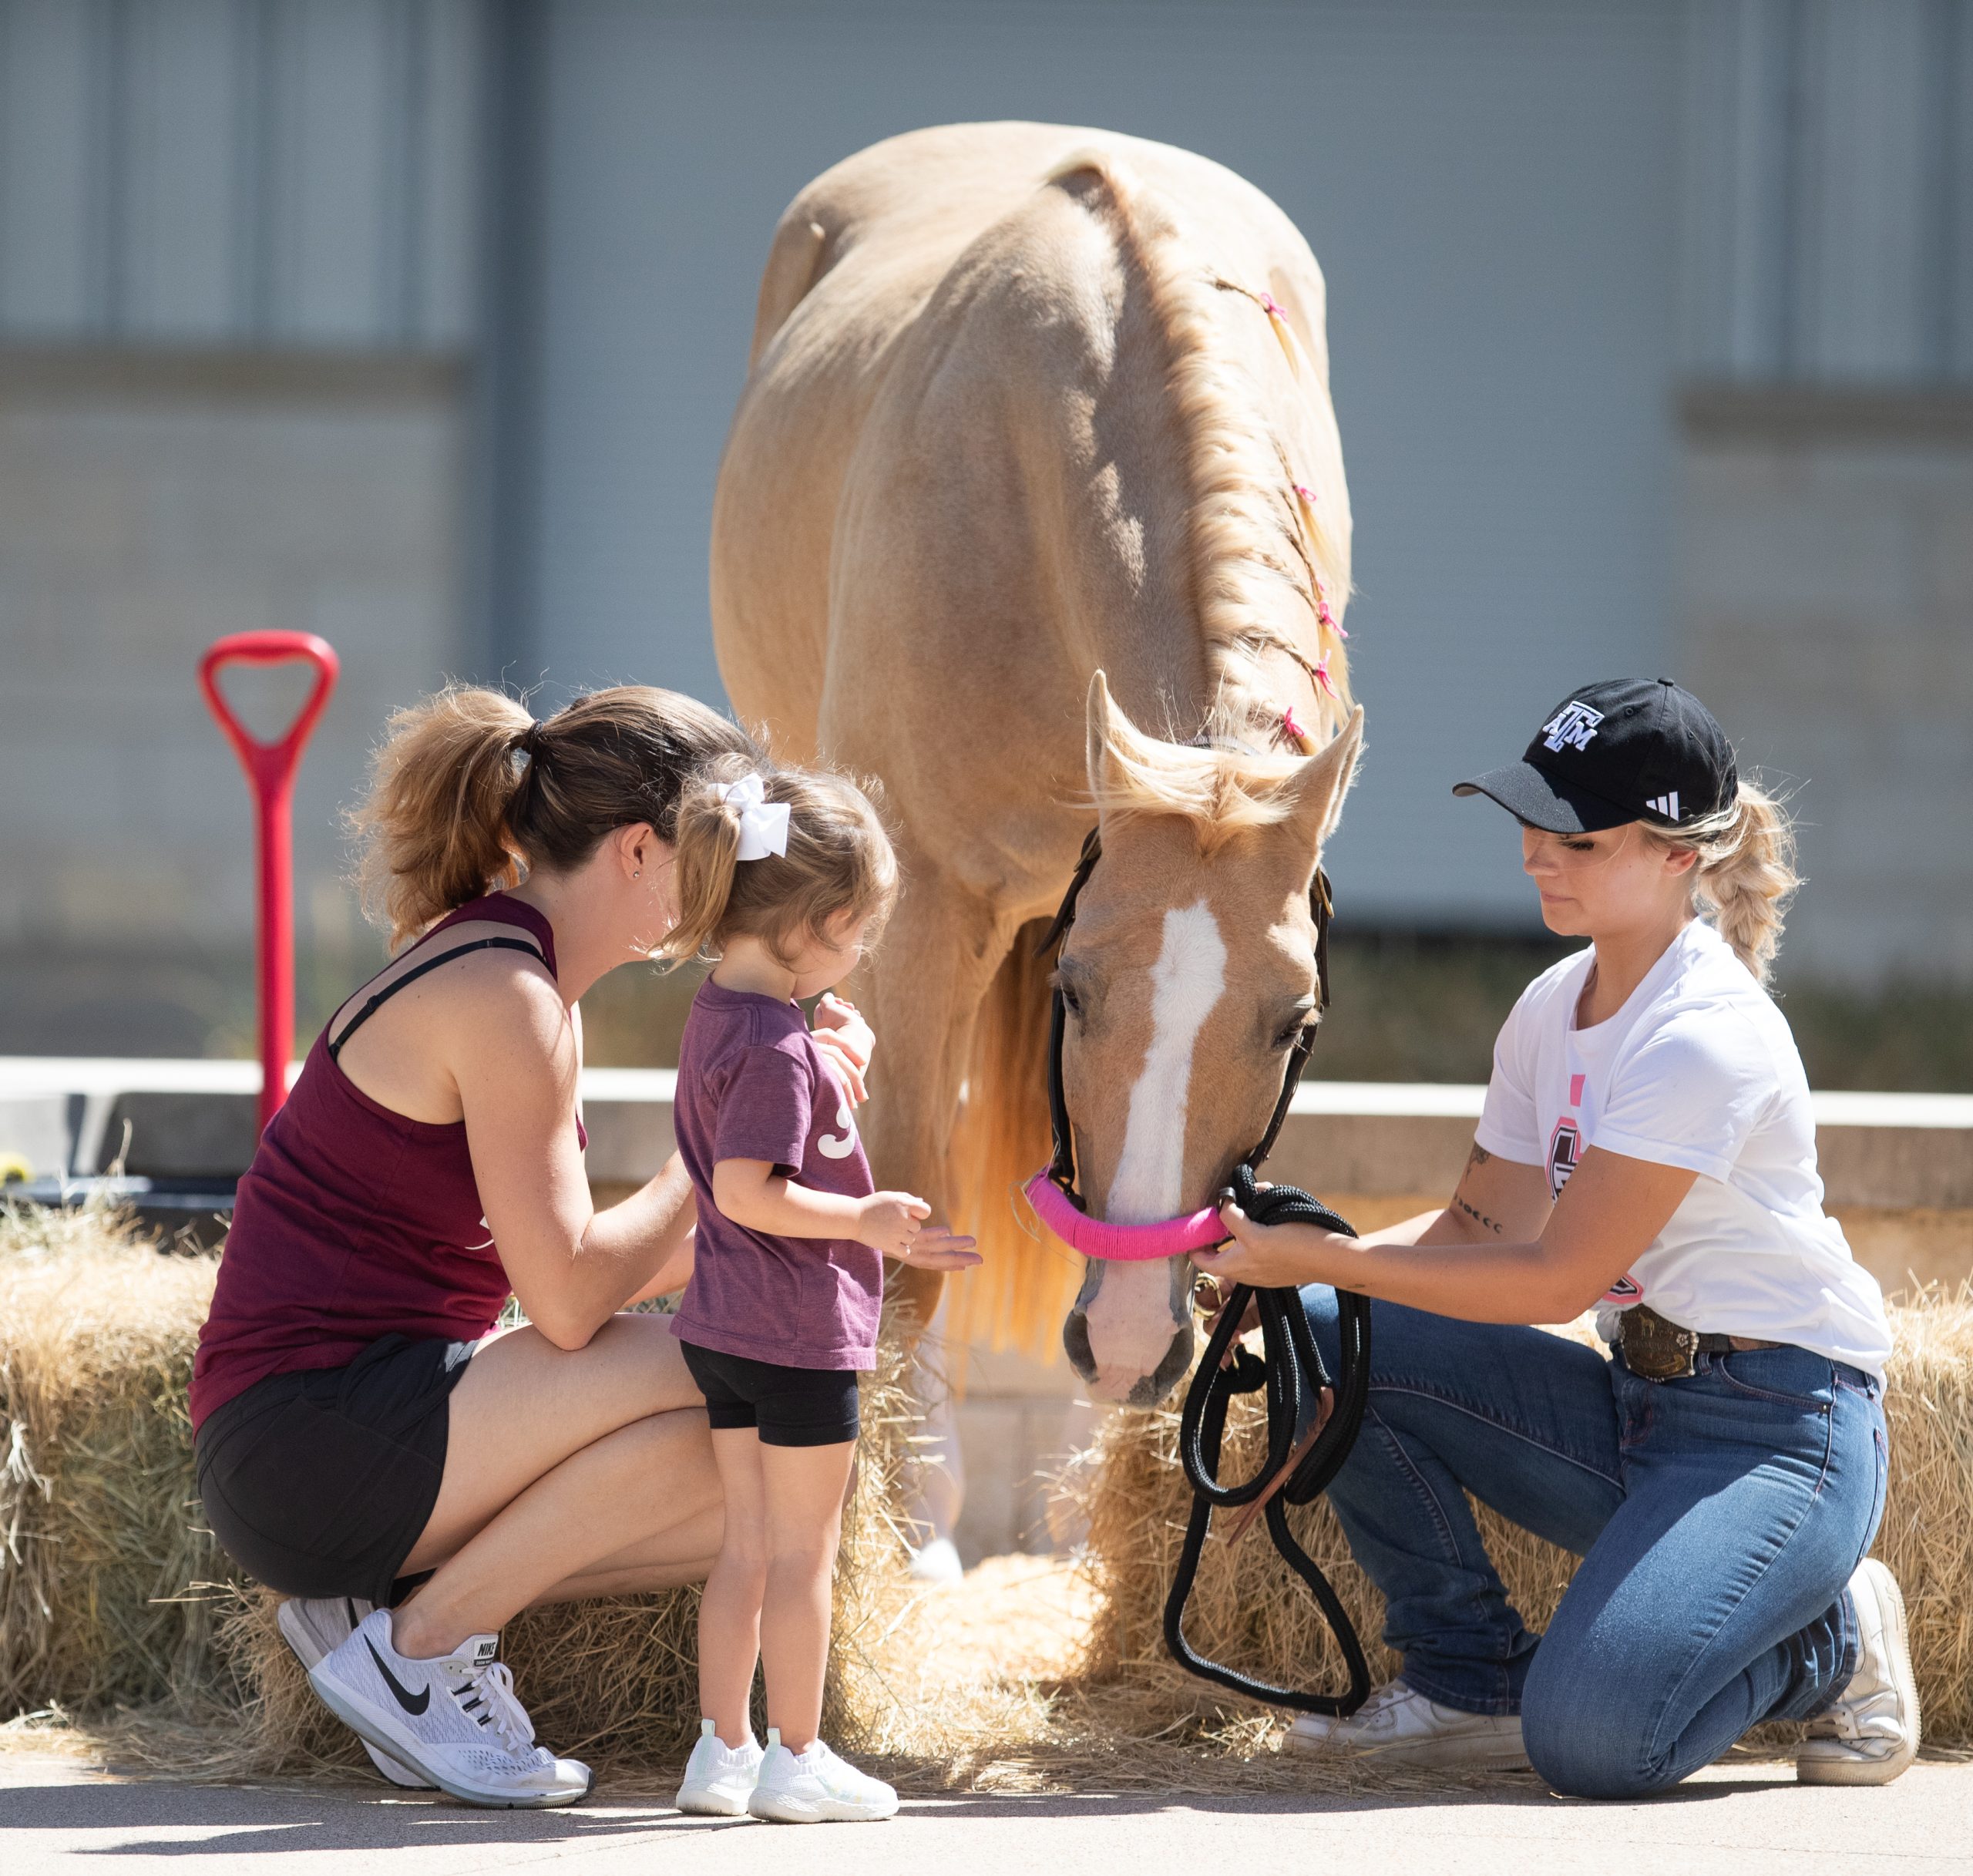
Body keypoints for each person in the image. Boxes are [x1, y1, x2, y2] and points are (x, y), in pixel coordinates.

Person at [1195, 678, 1914, 1798]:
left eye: (1576, 836)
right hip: (1635, 1405)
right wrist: (1282, 1265)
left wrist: (1320, 1257)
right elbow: (1476, 1229)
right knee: (1336, 1330)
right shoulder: (1550, 1006)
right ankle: (1464, 1679)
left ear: (1678, 855)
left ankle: (1839, 1642)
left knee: (1593, 1744)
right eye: (1529, 821)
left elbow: (1555, 1277)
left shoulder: (1703, 1036)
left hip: (1777, 1431)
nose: (1537, 854)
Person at [190, 684, 875, 1809]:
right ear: (642, 848)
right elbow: (564, 1304)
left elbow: (592, 1277)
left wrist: (776, 1149)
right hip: (307, 1438)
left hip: (349, 1431)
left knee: (752, 1491)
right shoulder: (511, 995)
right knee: (734, 1387)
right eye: (712, 851)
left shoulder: (523, 970)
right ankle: (421, 1648)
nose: (729, 888)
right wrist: (729, 1152)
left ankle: (378, 1617)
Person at [660, 758, 980, 1825]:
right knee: (806, 1556)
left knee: (744, 1546)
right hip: (796, 1335)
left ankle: (724, 1748)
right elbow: (755, 1186)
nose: (857, 962)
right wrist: (865, 1219)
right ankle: (798, 1754)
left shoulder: (723, 1013)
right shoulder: (779, 1048)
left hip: (724, 1326)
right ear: (818, 924)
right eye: (856, 939)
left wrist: (829, 1058)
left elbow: (753, 1130)